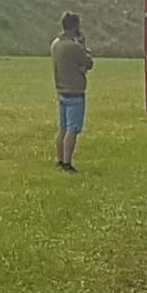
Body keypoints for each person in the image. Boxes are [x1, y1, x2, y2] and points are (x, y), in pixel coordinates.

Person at [51, 11, 94, 172]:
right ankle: (67, 163)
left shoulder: (56, 44)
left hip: (61, 89)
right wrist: (83, 45)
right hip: (75, 91)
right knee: (72, 129)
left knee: (62, 128)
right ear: (75, 27)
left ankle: (60, 158)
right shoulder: (74, 47)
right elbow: (88, 62)